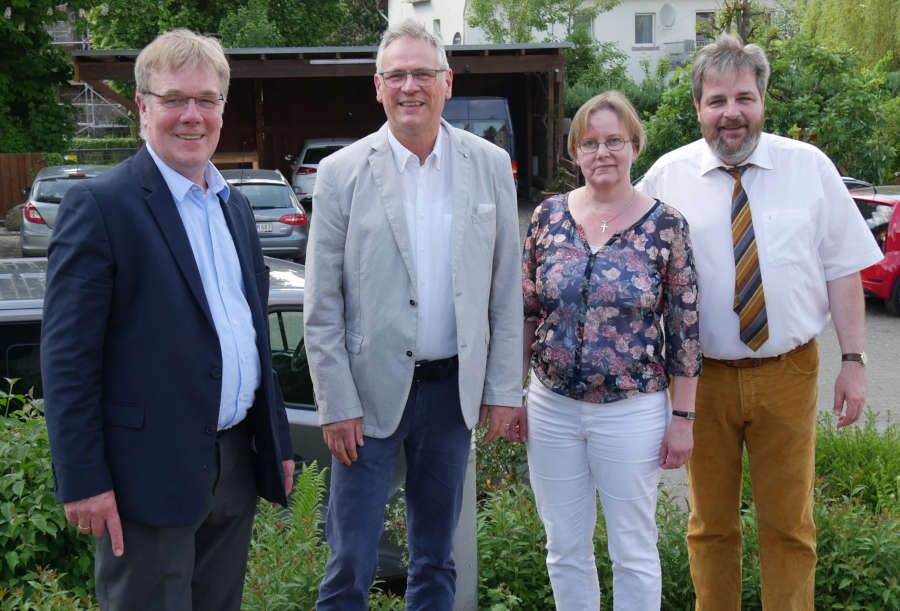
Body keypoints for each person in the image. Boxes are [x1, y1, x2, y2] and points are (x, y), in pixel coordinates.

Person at [41, 28, 295, 611]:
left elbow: (252, 335)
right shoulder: (102, 207)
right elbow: (67, 361)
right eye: (174, 99)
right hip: (144, 477)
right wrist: (83, 479)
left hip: (233, 466)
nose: (191, 116)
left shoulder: (233, 207)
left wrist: (273, 438)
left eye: (205, 100)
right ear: (142, 106)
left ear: (222, 110)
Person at [638, 34, 883, 610]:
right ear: (698, 106)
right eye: (717, 100)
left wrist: (853, 362)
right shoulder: (665, 179)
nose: (732, 113)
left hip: (788, 372)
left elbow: (844, 270)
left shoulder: (810, 169)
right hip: (700, 381)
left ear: (762, 101)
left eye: (744, 98)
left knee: (789, 526)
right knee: (709, 526)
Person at [303, 19, 523, 610]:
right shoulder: (341, 172)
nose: (409, 87)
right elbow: (321, 303)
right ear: (377, 86)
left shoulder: (489, 165)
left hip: (451, 392)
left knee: (435, 555)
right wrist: (336, 403)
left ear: (446, 82)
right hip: (367, 397)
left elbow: (505, 291)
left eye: (422, 73)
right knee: (350, 557)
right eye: (396, 75)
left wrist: (503, 389)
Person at [514, 90, 702, 610]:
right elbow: (527, 311)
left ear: (635, 146)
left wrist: (683, 417)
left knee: (634, 551)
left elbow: (685, 330)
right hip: (551, 407)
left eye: (614, 140)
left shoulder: (667, 226)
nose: (603, 153)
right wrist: (513, 394)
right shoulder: (548, 218)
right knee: (564, 548)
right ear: (574, 152)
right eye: (590, 142)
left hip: (633, 410)